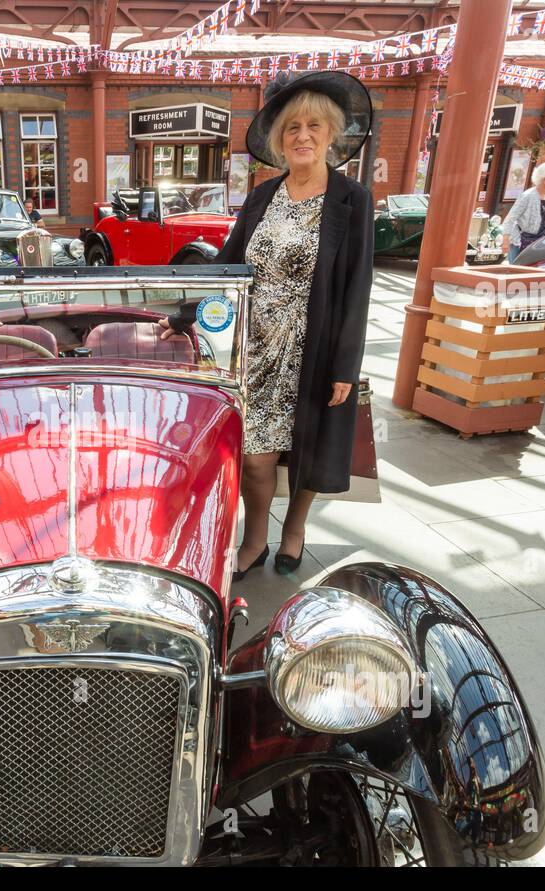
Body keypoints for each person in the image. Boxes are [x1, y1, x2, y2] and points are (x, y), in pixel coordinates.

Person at [165, 71, 374, 580]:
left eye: (313, 127)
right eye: (292, 128)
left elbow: (357, 287)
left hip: (314, 344)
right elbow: (229, 265)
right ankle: (256, 535)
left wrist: (345, 364)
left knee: (309, 446)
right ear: (280, 139)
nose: (302, 136)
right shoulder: (262, 197)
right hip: (253, 346)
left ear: (331, 134)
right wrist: (184, 315)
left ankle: (295, 528)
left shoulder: (352, 199)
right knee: (256, 458)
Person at [501, 162, 545, 262]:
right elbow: (510, 218)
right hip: (520, 242)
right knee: (516, 272)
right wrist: (505, 241)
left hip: (539, 242)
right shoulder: (527, 196)